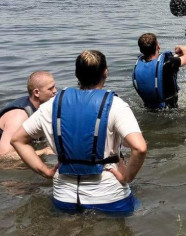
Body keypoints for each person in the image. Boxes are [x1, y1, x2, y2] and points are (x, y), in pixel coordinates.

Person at [11, 50, 147, 215]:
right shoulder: (116, 105)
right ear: (105, 73)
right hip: (109, 196)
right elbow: (139, 148)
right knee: (141, 210)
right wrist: (126, 177)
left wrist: (45, 171)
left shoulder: (51, 106)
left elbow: (17, 140)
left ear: (77, 74)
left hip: (64, 198)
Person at [0, 71, 57, 159]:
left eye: (54, 86)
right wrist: (44, 151)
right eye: (50, 89)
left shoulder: (41, 109)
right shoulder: (18, 116)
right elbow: (3, 156)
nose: (55, 91)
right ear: (36, 92)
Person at [133, 33, 186, 109]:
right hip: (171, 110)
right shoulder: (169, 63)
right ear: (157, 47)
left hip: (149, 109)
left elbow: (164, 64)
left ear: (141, 50)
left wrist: (177, 56)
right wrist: (181, 47)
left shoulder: (139, 67)